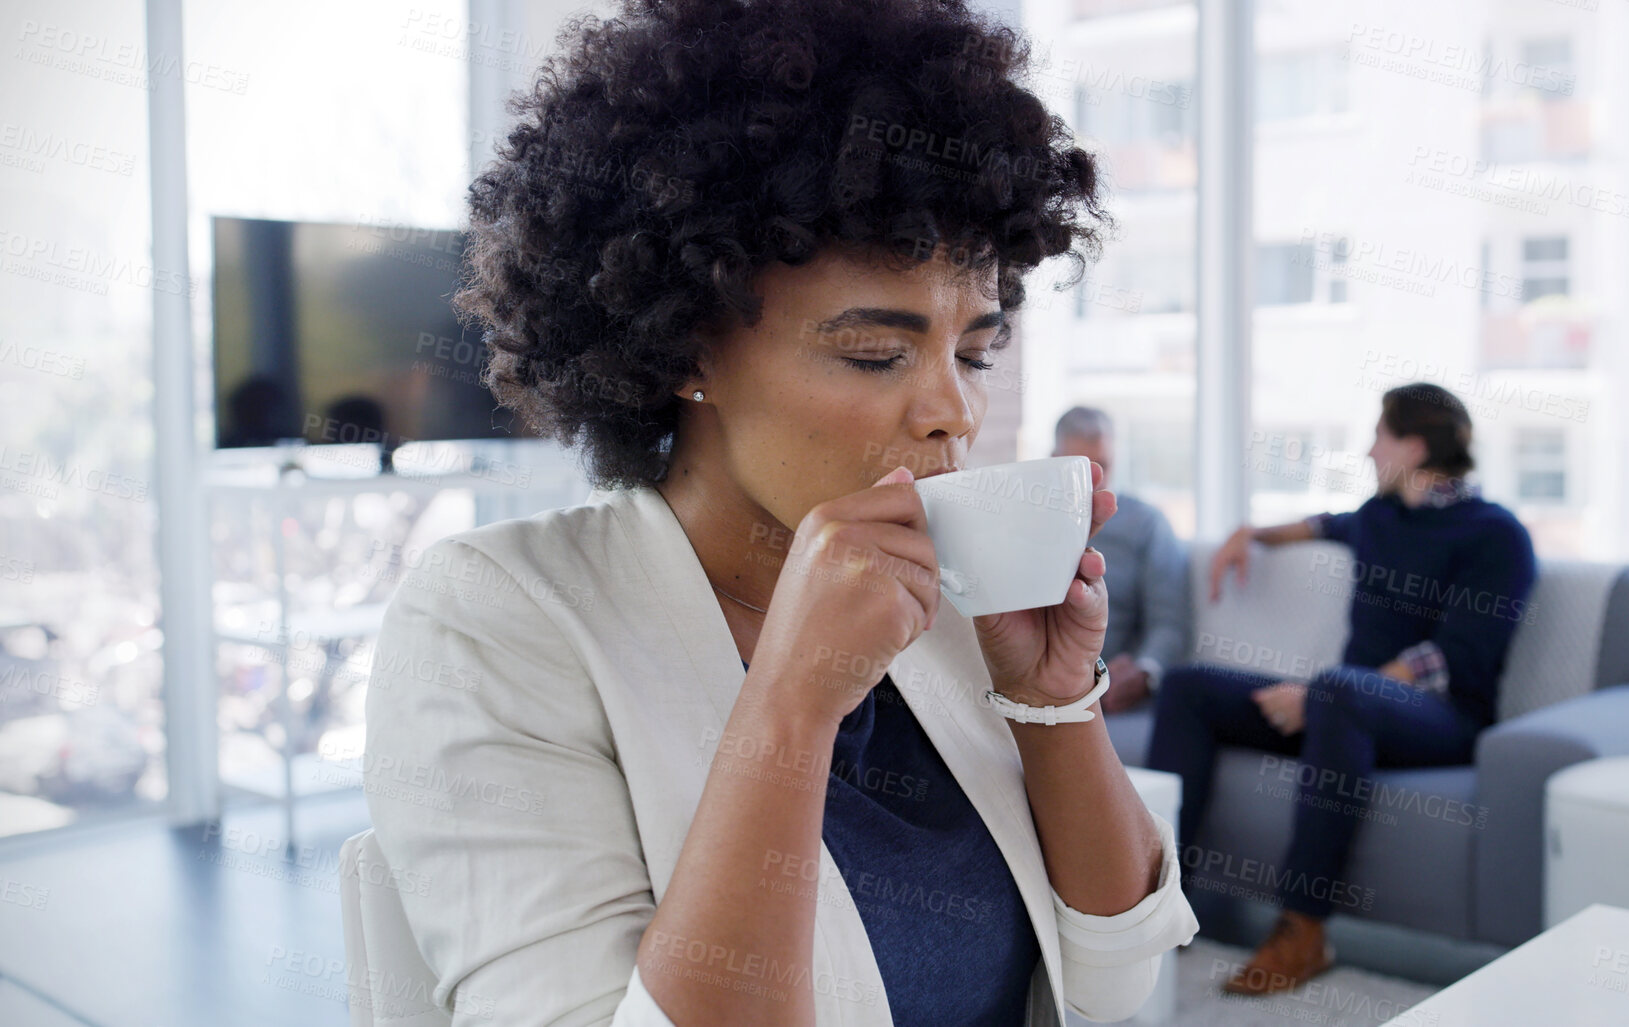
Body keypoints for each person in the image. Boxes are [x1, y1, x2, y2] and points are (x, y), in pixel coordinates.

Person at [360, 2, 1197, 1025]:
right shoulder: (494, 621)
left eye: (975, 351)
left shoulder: (936, 601)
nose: (955, 410)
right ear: (687, 350)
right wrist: (794, 702)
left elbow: (1114, 983)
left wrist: (1054, 701)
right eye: (875, 353)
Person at [1145, 382, 1536, 995]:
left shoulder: (1496, 534)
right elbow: (1321, 524)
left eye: (1378, 436)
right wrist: (1249, 533)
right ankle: (1159, 908)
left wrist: (1318, 695)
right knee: (1190, 688)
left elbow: (1455, 657)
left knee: (1335, 692)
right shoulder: (1380, 517)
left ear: (1412, 446)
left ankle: (1304, 931)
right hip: (1344, 712)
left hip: (1442, 719)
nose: (1367, 450)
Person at [1049, 406, 1189, 716]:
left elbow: (1169, 624)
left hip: (1105, 686)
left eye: (1104, 467)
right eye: (1078, 468)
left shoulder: (1147, 524)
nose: (1093, 482)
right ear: (1050, 460)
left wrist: (1144, 671)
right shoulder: (1027, 521)